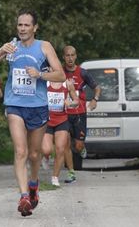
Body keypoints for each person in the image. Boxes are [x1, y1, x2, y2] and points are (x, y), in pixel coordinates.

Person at [0, 9, 65, 217]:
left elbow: (61, 75)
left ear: (35, 27)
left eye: (27, 25)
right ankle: (24, 196)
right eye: (20, 25)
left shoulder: (44, 46)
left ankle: (33, 184)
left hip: (37, 106)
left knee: (35, 154)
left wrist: (40, 74)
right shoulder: (11, 46)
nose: (22, 28)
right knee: (20, 151)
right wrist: (0, 51)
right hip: (15, 104)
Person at [62, 45, 101, 183]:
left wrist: (95, 100)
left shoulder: (83, 73)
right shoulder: (59, 73)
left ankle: (82, 148)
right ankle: (71, 173)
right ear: (64, 57)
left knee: (77, 146)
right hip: (64, 114)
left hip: (80, 114)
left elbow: (97, 88)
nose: (70, 58)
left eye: (72, 55)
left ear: (76, 56)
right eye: (67, 55)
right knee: (65, 144)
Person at [41, 78, 79, 186]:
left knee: (60, 149)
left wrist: (70, 103)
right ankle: (46, 156)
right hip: (46, 120)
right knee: (47, 149)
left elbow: (76, 101)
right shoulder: (45, 83)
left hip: (62, 120)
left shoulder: (67, 84)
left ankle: (55, 177)